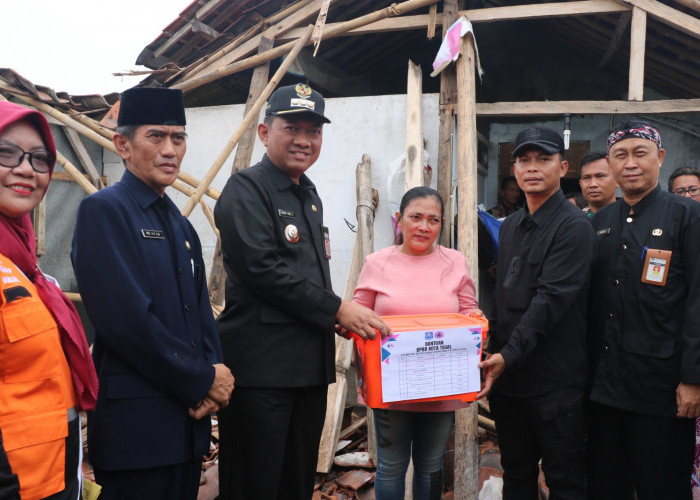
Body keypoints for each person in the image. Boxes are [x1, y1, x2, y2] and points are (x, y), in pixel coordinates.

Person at [214, 83, 390, 500]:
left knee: (295, 482)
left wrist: (332, 317)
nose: (304, 141)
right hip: (262, 372)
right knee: (255, 483)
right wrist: (337, 308)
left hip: (307, 370)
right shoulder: (247, 189)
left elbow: (307, 276)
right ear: (263, 132)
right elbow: (263, 270)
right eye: (292, 127)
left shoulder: (308, 195)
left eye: (314, 131)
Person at [71, 87, 233, 500]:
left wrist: (215, 372)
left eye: (178, 138)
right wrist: (201, 380)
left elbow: (199, 313)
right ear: (122, 145)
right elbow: (127, 323)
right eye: (156, 137)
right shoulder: (105, 212)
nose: (170, 150)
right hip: (138, 428)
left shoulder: (180, 224)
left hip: (188, 422)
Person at [479, 126, 595, 499]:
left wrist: (505, 356)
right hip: (511, 381)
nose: (532, 168)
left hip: (555, 383)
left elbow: (551, 301)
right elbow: (504, 294)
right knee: (517, 473)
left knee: (563, 479)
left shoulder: (574, 227)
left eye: (543, 159)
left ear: (563, 168)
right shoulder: (511, 225)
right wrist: (489, 347)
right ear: (513, 169)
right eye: (524, 160)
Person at [587, 121, 700, 500]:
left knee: (662, 485)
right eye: (621, 155)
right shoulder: (600, 223)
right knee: (607, 485)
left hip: (663, 387)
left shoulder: (687, 216)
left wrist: (693, 378)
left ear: (660, 158)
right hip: (604, 386)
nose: (630, 163)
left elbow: (698, 301)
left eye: (640, 153)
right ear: (610, 162)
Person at [353, 186, 479, 500]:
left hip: (440, 384)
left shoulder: (454, 262)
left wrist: (475, 316)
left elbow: (468, 309)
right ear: (399, 220)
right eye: (416, 217)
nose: (424, 226)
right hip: (391, 385)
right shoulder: (377, 262)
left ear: (441, 225)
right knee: (393, 465)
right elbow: (357, 314)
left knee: (430, 462)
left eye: (433, 220)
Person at [0, 100, 98, 499]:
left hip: (52, 479)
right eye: (6, 153)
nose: (26, 169)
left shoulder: (26, 267)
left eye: (40, 158)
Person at [579, 151, 618, 217]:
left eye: (600, 176)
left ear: (617, 181)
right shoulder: (574, 221)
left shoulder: (629, 217)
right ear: (580, 183)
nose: (593, 184)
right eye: (587, 178)